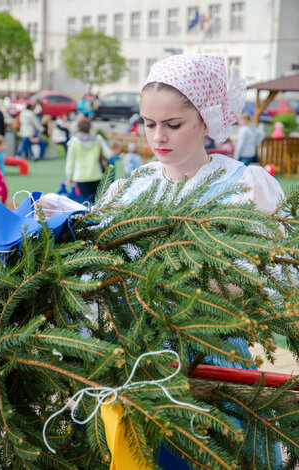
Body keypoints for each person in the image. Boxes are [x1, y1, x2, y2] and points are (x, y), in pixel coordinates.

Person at [38, 54, 284, 468]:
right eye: (149, 124)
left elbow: (271, 279)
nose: (158, 138)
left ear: (206, 121)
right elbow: (104, 261)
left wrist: (195, 283)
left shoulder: (244, 186)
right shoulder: (133, 188)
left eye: (173, 125)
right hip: (136, 360)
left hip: (213, 357)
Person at [65, 116, 109, 204]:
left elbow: (71, 161)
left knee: (84, 202)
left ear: (78, 127)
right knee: (97, 202)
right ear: (90, 127)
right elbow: (108, 154)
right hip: (96, 174)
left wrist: (69, 177)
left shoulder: (74, 141)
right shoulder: (98, 139)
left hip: (80, 176)